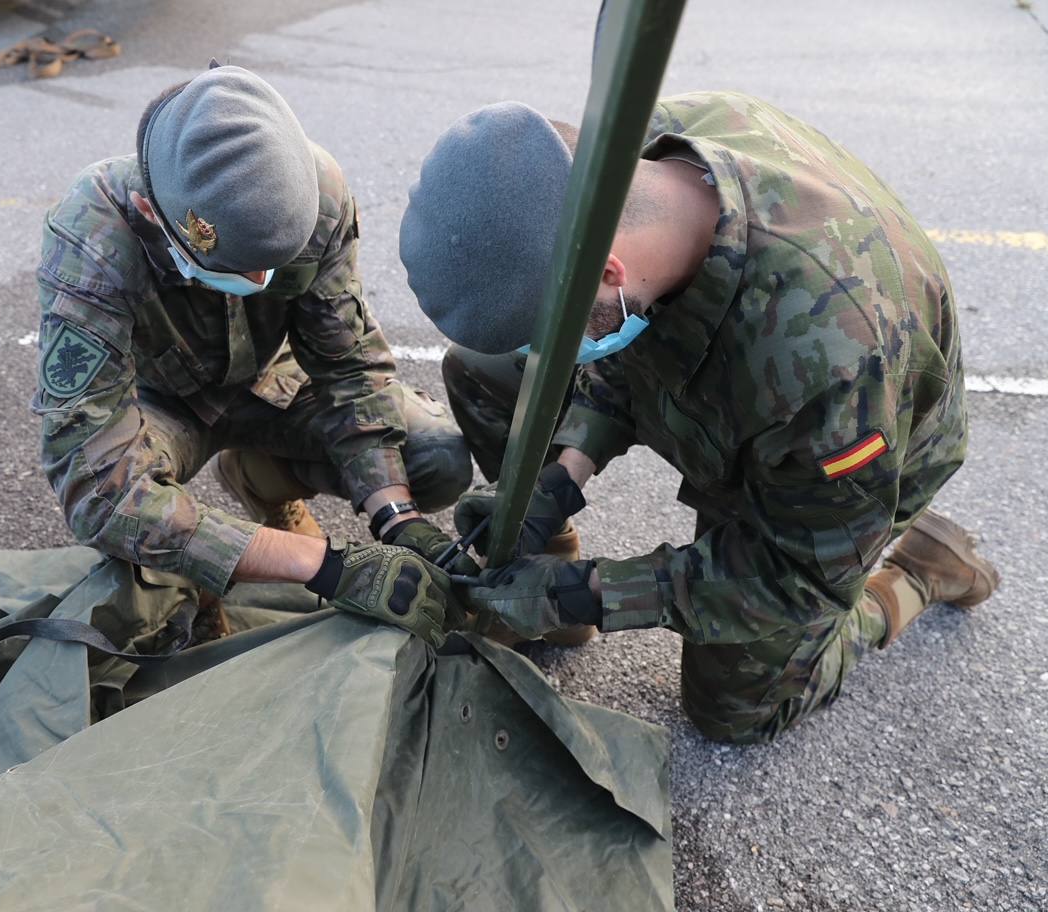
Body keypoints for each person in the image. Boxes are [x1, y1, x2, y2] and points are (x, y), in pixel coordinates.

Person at [397, 93, 1000, 743]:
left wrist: (591, 592)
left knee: (733, 714)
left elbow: (796, 575)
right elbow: (617, 351)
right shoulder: (647, 164)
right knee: (480, 371)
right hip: (730, 391)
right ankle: (534, 585)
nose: (541, 356)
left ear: (608, 270)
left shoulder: (827, 364)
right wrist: (559, 479)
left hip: (824, 481)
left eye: (544, 334)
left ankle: (914, 574)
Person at [32, 63, 474, 646]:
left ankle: (260, 478)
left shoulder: (314, 193)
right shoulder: (93, 233)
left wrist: (398, 518)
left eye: (271, 266)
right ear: (150, 215)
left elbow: (347, 365)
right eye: (232, 270)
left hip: (271, 382)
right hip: (161, 405)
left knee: (435, 458)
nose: (260, 279)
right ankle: (214, 583)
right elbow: (97, 486)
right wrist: (325, 566)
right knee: (136, 553)